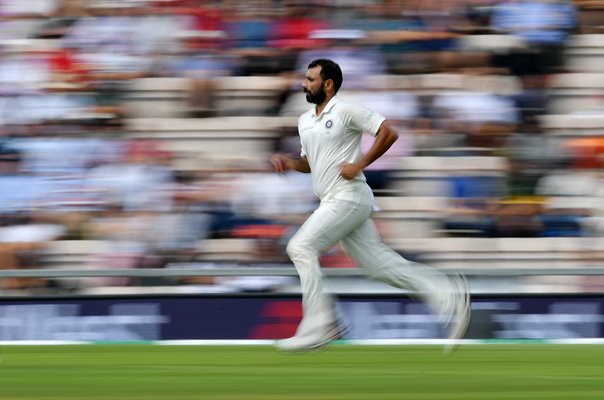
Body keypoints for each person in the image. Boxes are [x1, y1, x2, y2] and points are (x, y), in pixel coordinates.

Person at [270, 59, 470, 352]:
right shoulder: (305, 120)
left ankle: (320, 324)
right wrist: (290, 163)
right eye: (305, 78)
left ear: (328, 84)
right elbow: (311, 163)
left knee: (300, 247)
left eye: (311, 79)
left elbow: (388, 132)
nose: (304, 84)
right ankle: (447, 293)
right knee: (381, 267)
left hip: (348, 195)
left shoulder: (346, 109)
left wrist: (358, 164)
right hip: (335, 199)